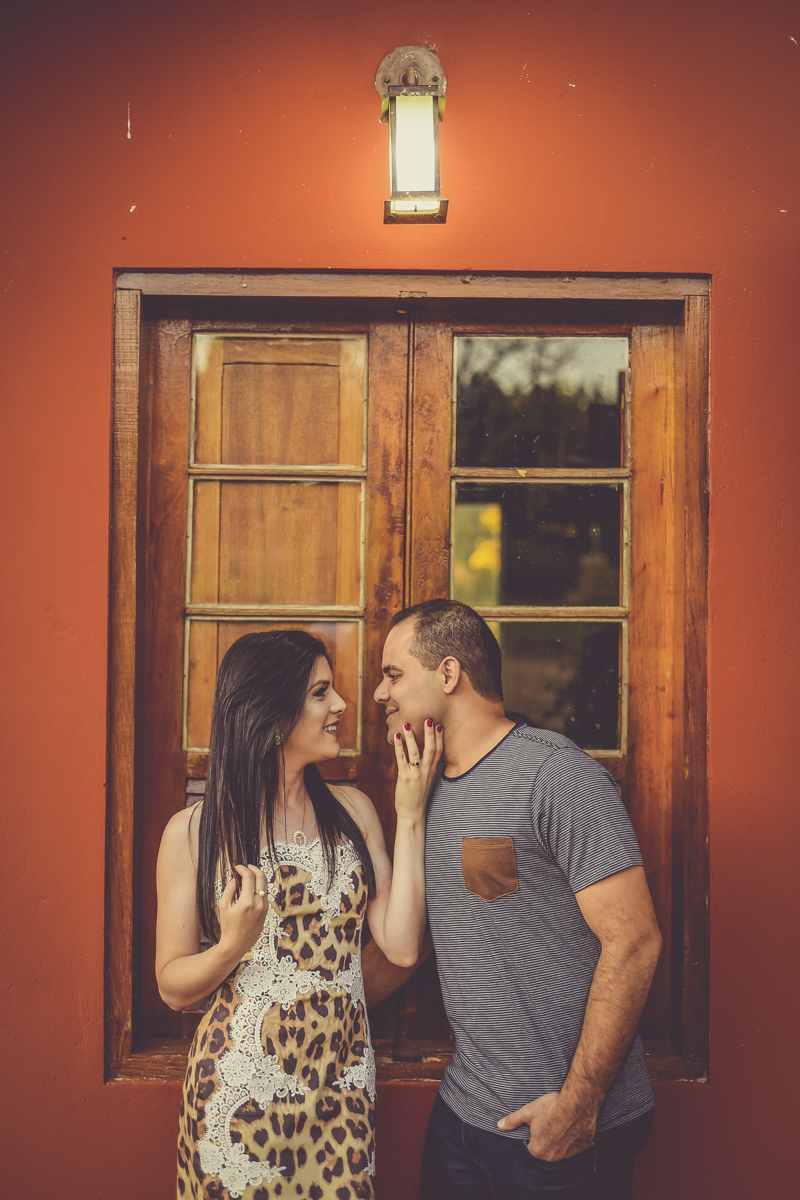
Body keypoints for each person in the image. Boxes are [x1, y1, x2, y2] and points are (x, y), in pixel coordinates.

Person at [373, 600, 662, 1200]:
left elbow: (634, 941)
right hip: (464, 1113)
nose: (379, 692)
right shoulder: (425, 787)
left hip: (563, 1126)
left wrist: (577, 1110)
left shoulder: (553, 772)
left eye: (393, 674)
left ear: (448, 674)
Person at [156, 629, 442, 1200]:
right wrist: (231, 946)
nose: (340, 706)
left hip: (339, 1092)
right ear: (270, 715)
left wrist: (410, 815)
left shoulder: (354, 812)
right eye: (320, 693)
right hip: (235, 1101)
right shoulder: (193, 832)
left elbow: (403, 946)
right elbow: (172, 986)